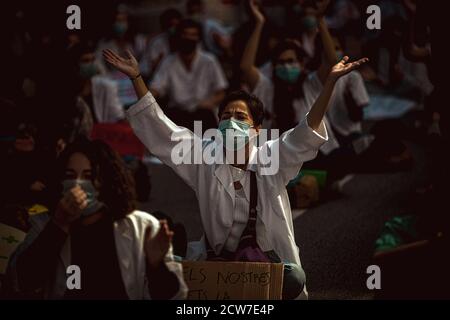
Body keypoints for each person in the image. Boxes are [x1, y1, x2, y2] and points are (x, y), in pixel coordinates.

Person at [103, 26, 367, 298]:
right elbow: (164, 131)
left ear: (257, 130)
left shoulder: (271, 157)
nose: (231, 122)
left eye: (241, 118)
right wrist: (137, 78)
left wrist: (330, 83)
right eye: (226, 116)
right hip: (219, 264)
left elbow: (305, 131)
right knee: (164, 274)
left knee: (293, 278)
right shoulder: (204, 158)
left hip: (264, 263)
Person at [7, 139, 187, 300]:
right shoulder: (45, 224)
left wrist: (156, 268)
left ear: (107, 181)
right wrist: (59, 224)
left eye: (88, 176)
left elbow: (174, 296)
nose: (77, 184)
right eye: (70, 176)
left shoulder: (141, 228)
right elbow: (21, 282)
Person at [149, 19, 228, 131]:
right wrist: (145, 103)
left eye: (193, 35)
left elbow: (221, 92)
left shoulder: (209, 61)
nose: (189, 38)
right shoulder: (168, 62)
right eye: (185, 34)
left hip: (203, 113)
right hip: (177, 115)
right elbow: (155, 88)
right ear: (179, 36)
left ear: (199, 38)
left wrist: (209, 102)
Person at [140, 8, 183, 78]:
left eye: (176, 25)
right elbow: (146, 68)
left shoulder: (185, 40)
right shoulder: (157, 42)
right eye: (171, 25)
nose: (174, 28)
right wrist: (156, 63)